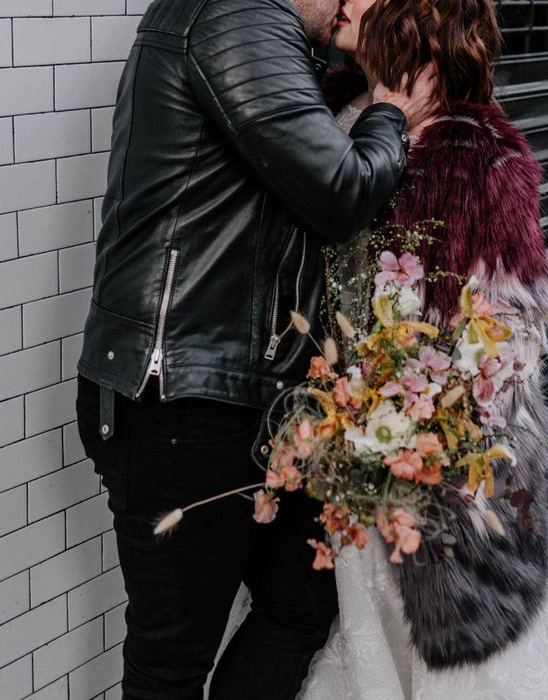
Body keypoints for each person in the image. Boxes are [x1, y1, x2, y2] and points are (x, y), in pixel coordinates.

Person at [220, 0, 548, 697]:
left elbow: (516, 323)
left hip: (416, 451)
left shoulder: (482, 155)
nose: (346, 1)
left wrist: (425, 404)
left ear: (415, 21)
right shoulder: (325, 110)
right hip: (324, 428)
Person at [74, 0, 441, 697]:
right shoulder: (234, 17)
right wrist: (390, 108)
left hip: (248, 396)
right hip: (183, 399)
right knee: (172, 662)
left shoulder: (257, 29)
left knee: (300, 602)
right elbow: (340, 191)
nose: (349, 3)